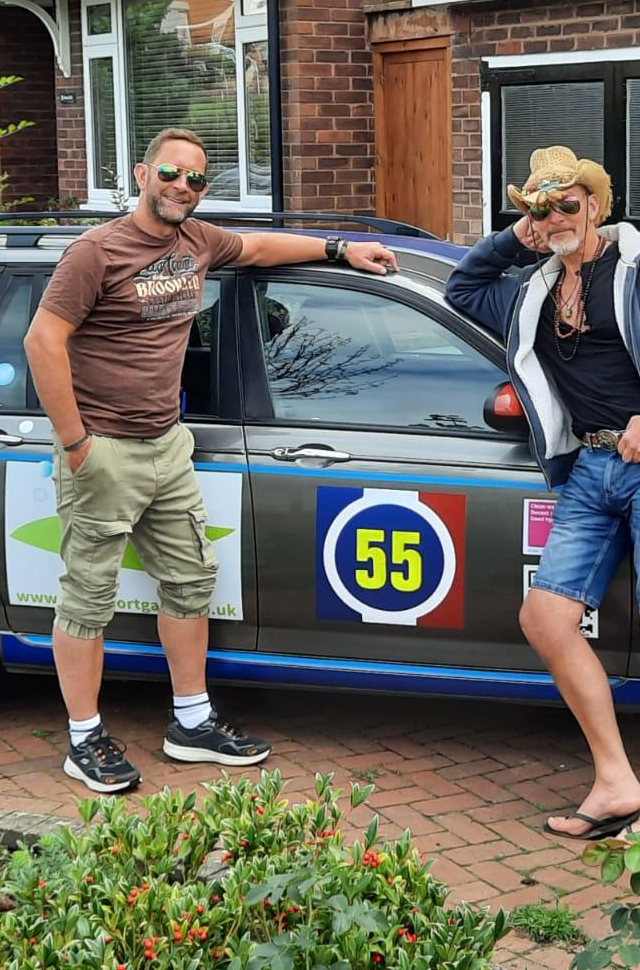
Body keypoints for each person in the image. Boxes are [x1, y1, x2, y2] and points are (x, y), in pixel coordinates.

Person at [24, 127, 398, 793]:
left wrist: (340, 247)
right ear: (142, 173)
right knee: (87, 600)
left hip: (168, 445)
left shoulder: (197, 242)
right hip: (104, 448)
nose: (183, 187)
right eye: (171, 173)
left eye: (197, 180)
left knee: (191, 580)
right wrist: (78, 443)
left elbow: (256, 246)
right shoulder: (97, 252)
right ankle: (83, 737)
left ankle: (190, 721)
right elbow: (43, 340)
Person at [447, 146, 640, 839]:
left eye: (568, 203)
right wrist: (512, 237)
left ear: (597, 204)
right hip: (589, 468)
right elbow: (462, 291)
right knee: (545, 619)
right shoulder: (534, 289)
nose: (558, 218)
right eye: (542, 208)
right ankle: (616, 781)